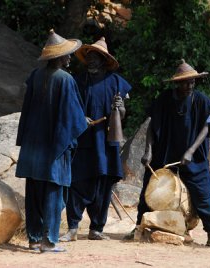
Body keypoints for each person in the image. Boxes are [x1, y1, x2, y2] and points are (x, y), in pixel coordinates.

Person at [124, 59, 210, 247]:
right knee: (149, 189)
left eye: (192, 82)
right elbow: (152, 127)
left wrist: (191, 151)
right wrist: (148, 151)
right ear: (176, 83)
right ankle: (139, 226)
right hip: (164, 154)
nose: (189, 85)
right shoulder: (163, 100)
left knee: (203, 193)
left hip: (192, 157)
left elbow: (206, 128)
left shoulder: (201, 100)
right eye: (185, 82)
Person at [15, 29, 87, 253]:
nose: (69, 57)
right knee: (54, 195)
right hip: (54, 147)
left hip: (33, 148)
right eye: (67, 54)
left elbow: (27, 111)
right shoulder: (66, 80)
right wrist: (82, 121)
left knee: (34, 194)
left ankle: (34, 239)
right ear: (58, 58)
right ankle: (49, 241)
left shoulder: (35, 76)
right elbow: (72, 118)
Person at [59, 37, 131, 242]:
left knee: (104, 184)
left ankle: (96, 229)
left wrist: (119, 108)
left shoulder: (117, 82)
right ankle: (73, 227)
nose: (90, 60)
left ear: (103, 60)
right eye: (88, 56)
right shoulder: (77, 80)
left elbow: (123, 114)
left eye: (95, 57)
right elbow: (68, 106)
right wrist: (80, 117)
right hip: (82, 140)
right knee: (76, 182)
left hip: (106, 142)